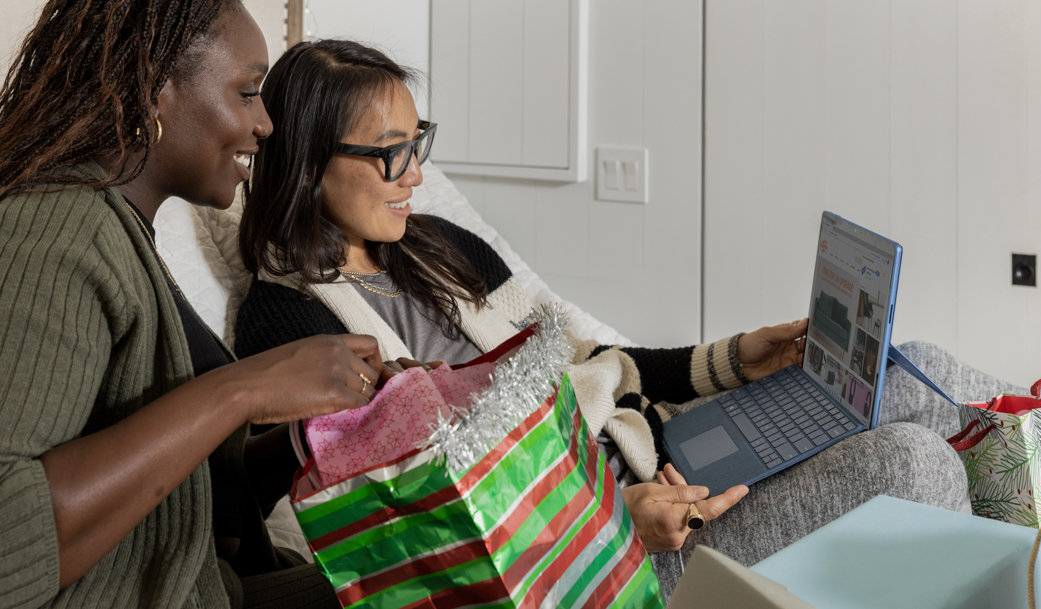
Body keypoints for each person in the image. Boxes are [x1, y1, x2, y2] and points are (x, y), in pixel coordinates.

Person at [232, 40, 973, 596]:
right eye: (392, 154)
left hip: (660, 450)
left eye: (416, 143)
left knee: (919, 370)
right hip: (602, 553)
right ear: (305, 162)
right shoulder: (292, 328)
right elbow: (422, 530)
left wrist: (740, 357)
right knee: (912, 460)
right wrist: (615, 516)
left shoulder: (434, 246)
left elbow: (593, 356)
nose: (417, 175)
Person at [0, 5, 386, 609]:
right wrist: (242, 388)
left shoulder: (120, 231)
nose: (267, 124)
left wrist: (319, 431)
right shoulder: (55, 229)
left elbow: (201, 511)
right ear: (153, 89)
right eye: (248, 93)